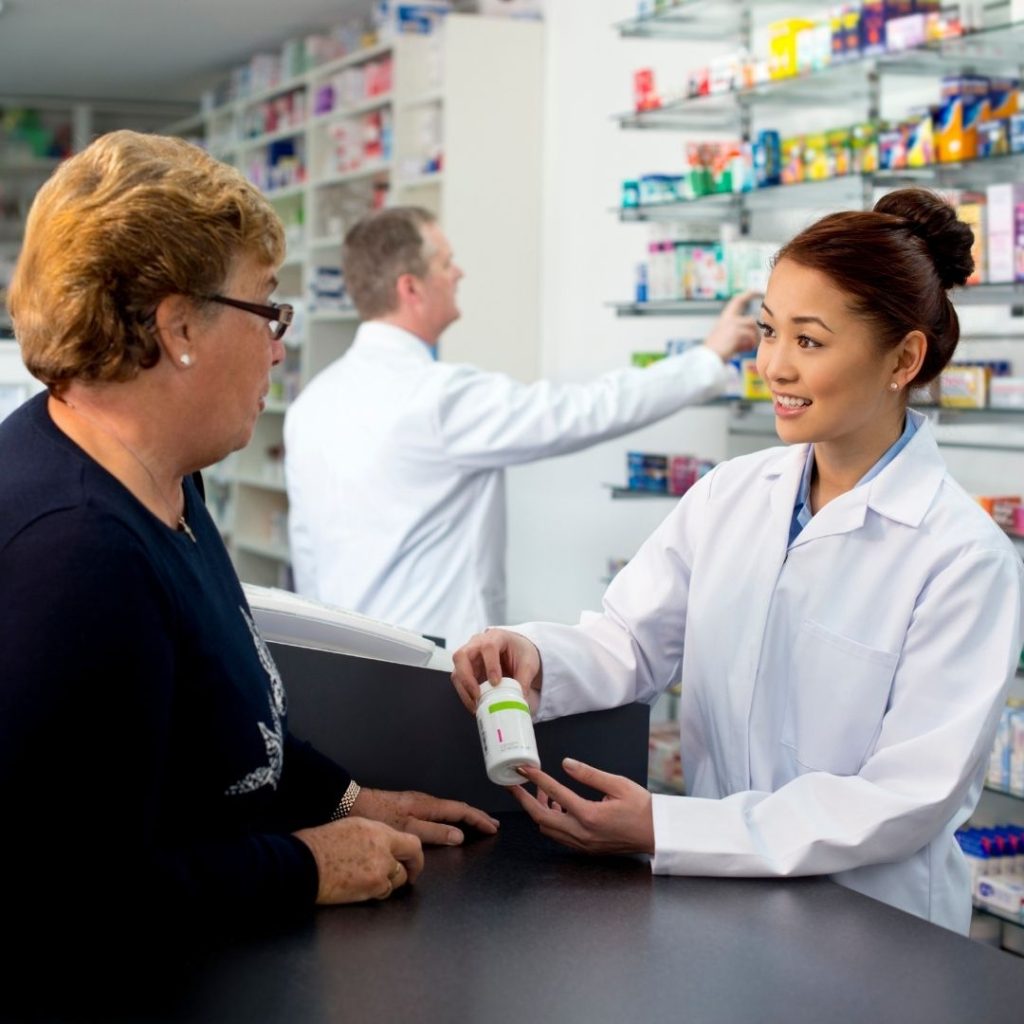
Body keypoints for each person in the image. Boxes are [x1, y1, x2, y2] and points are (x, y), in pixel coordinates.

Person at [0, 132, 497, 1006]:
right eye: (268, 310)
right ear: (178, 324)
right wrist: (302, 865)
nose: (279, 347)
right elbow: (65, 896)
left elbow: (219, 716)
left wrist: (344, 798)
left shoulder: (164, 475)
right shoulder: (74, 551)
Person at [451, 187, 1024, 934]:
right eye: (767, 331)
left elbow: (905, 797)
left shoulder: (961, 557)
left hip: (869, 934)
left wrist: (671, 829)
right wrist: (532, 654)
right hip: (715, 907)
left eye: (809, 342)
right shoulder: (732, 494)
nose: (773, 367)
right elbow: (627, 640)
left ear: (903, 358)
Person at [284, 205, 759, 650]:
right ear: (412, 288)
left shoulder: (314, 401)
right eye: (447, 263)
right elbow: (585, 410)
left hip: (342, 652)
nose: (459, 273)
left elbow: (306, 553)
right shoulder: (436, 398)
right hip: (428, 661)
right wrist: (707, 357)